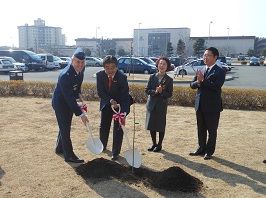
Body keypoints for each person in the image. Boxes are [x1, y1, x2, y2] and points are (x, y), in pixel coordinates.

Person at [52, 48, 89, 163]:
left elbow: (77, 85)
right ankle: (69, 155)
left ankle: (59, 148)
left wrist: (78, 93)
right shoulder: (65, 75)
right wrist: (81, 114)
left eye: (82, 62)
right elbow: (69, 98)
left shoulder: (81, 70)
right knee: (65, 128)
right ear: (72, 61)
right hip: (61, 104)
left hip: (68, 102)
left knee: (65, 126)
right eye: (77, 62)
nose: (80, 65)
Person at [189, 47, 226, 160]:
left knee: (212, 129)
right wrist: (199, 82)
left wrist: (203, 81)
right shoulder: (201, 69)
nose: (205, 57)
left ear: (215, 57)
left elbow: (216, 87)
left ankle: (209, 151)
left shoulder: (220, 71)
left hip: (212, 106)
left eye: (208, 55)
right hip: (200, 104)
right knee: (201, 128)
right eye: (204, 55)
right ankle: (201, 147)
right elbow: (192, 85)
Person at [96, 55, 130, 160]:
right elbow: (100, 92)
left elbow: (125, 96)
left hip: (119, 106)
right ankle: (102, 145)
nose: (110, 70)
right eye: (107, 67)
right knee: (104, 126)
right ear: (104, 67)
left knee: (118, 128)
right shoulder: (100, 75)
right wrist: (110, 101)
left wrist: (123, 113)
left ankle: (115, 152)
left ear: (116, 67)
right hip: (106, 104)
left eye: (112, 67)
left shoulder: (122, 77)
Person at [145, 56, 173, 152]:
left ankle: (160, 145)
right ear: (157, 64)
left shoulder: (169, 80)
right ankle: (154, 144)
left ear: (167, 66)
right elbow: (147, 90)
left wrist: (161, 92)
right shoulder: (152, 77)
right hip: (151, 105)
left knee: (160, 125)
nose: (162, 65)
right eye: (160, 63)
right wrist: (155, 92)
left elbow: (169, 94)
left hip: (161, 105)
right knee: (151, 125)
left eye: (164, 64)